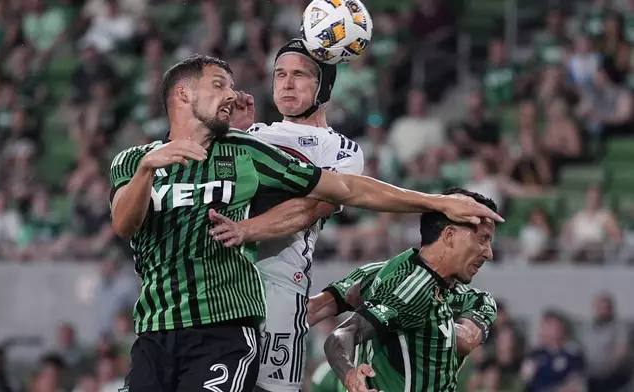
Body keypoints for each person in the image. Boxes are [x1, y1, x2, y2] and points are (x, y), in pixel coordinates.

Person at [109, 55, 503, 392]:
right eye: (218, 85)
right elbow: (125, 224)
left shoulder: (246, 152)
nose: (231, 94)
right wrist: (146, 171)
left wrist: (435, 201)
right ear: (183, 93)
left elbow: (345, 188)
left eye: (232, 86)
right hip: (155, 328)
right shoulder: (131, 161)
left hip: (224, 325)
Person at [211, 38, 364, 392]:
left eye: (299, 75)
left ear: (323, 85)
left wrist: (246, 230)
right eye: (279, 74)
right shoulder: (253, 134)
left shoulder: (340, 149)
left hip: (281, 287)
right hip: (223, 281)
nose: (287, 83)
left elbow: (311, 209)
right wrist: (231, 134)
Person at [322, 188, 498, 392]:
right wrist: (350, 374)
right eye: (482, 240)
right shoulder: (407, 288)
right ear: (450, 235)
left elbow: (465, 341)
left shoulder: (475, 299)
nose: (489, 253)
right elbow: (339, 334)